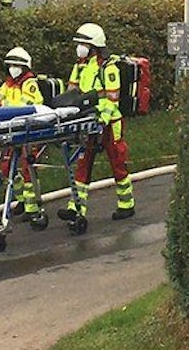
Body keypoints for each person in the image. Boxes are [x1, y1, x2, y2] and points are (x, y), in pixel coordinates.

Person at [56, 23, 136, 224]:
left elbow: (112, 99)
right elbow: (71, 93)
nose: (79, 47)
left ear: (94, 46)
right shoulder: (79, 66)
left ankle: (126, 204)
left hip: (109, 122)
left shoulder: (108, 68)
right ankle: (76, 206)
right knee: (83, 161)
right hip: (87, 120)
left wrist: (102, 121)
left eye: (83, 44)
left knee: (117, 161)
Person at [0, 47, 45, 222]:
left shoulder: (29, 83)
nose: (12, 68)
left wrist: (3, 103)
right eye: (11, 65)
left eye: (16, 65)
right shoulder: (8, 83)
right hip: (13, 129)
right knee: (7, 168)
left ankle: (32, 207)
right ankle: (22, 200)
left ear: (23, 67)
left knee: (26, 167)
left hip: (29, 129)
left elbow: (26, 105)